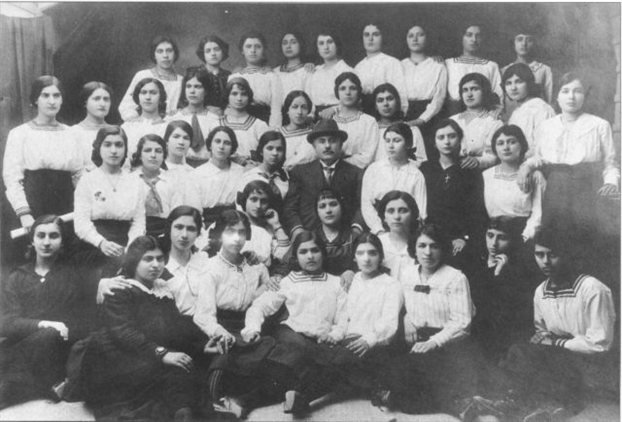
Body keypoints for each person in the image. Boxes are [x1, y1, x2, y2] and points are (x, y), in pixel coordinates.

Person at [466, 228, 618, 421]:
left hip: (589, 364)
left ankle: (545, 406)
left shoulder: (592, 288)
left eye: (552, 255)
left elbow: (600, 344)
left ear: (566, 255)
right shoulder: (541, 291)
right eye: (539, 255)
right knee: (516, 352)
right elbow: (542, 333)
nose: (545, 261)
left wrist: (555, 343)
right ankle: (518, 403)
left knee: (526, 354)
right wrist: (543, 342)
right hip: (557, 358)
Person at [66, 236, 219, 421]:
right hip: (118, 357)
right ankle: (181, 411)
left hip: (146, 350)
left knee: (185, 369)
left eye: (160, 259)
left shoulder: (162, 289)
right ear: (134, 262)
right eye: (148, 259)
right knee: (171, 376)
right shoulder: (121, 288)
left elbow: (175, 327)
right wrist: (162, 354)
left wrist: (201, 346)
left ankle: (183, 411)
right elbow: (123, 332)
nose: (155, 265)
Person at [373, 223, 481, 417]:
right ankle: (449, 400)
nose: (428, 252)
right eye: (422, 246)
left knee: (410, 397)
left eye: (434, 246)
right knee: (387, 363)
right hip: (414, 338)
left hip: (447, 344)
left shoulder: (455, 278)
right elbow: (402, 304)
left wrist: (433, 342)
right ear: (414, 249)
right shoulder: (408, 274)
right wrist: (406, 319)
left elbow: (462, 324)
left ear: (443, 249)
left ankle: (455, 402)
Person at [241, 230, 348, 416]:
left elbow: (344, 318)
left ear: (323, 253)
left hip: (323, 341)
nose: (310, 256)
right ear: (296, 256)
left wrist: (334, 335)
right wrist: (252, 329)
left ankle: (298, 397)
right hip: (293, 337)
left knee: (343, 360)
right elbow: (259, 307)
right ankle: (251, 400)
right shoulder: (288, 282)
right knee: (302, 353)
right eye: (303, 252)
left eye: (315, 250)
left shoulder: (336, 283)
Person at [0, 215, 92, 409]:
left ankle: (11, 389)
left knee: (50, 336)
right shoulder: (18, 276)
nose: (47, 242)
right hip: (24, 345)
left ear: (62, 241)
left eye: (54, 236)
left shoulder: (73, 275)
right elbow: (6, 323)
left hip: (57, 349)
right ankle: (25, 387)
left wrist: (55, 329)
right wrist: (42, 323)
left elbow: (81, 320)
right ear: (32, 241)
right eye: (41, 235)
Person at [192, 210, 275, 416]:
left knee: (271, 351)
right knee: (224, 356)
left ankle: (242, 400)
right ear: (220, 233)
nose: (237, 238)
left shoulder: (255, 265)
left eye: (242, 232)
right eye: (230, 232)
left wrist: (265, 288)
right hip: (220, 326)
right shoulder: (211, 268)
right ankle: (216, 401)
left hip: (248, 324)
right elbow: (203, 315)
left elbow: (268, 290)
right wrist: (220, 332)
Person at [518, 72, 620, 239]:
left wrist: (611, 183)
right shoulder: (546, 126)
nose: (571, 97)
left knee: (585, 237)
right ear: (557, 97)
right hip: (555, 188)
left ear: (585, 96)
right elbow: (539, 157)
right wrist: (526, 166)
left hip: (588, 188)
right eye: (565, 91)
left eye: (577, 91)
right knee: (556, 237)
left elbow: (610, 163)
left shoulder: (600, 125)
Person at [329, 233, 403, 398]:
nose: (366, 259)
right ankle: (372, 387)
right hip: (349, 342)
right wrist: (336, 335)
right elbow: (345, 316)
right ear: (354, 258)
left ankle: (304, 396)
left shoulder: (391, 285)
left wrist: (368, 340)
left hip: (375, 345)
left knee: (337, 362)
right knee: (326, 354)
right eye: (360, 253)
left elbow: (389, 321)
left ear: (381, 257)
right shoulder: (353, 280)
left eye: (372, 253)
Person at [3, 75, 82, 227]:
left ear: (62, 100)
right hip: (33, 204)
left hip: (66, 204)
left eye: (56, 95)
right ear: (35, 100)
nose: (52, 101)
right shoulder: (20, 133)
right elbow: (12, 177)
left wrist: (83, 205)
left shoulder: (72, 133)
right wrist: (24, 213)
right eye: (45, 95)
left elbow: (79, 174)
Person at [73, 126, 146, 276]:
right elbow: (81, 222)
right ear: (98, 148)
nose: (113, 151)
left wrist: (130, 249)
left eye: (119, 145)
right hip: (93, 246)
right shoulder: (88, 180)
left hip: (126, 245)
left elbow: (139, 221)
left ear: (125, 149)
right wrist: (101, 243)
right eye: (107, 145)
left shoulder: (135, 181)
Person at [470, 217, 540, 362]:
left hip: (501, 336)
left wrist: (500, 273)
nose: (493, 243)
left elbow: (507, 311)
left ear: (512, 240)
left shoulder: (517, 271)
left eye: (502, 238)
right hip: (474, 331)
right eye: (490, 235)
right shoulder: (475, 264)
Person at [420, 119, 487, 271]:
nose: (447, 142)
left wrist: (465, 238)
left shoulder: (470, 171)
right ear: (434, 142)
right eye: (441, 137)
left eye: (452, 136)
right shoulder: (425, 170)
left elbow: (477, 211)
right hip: (430, 236)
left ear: (460, 139)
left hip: (459, 239)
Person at [283, 119, 364, 238]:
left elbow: (362, 206)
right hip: (309, 236)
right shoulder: (300, 172)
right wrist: (298, 232)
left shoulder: (355, 173)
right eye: (322, 141)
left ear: (341, 145)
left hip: (346, 237)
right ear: (314, 146)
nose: (327, 146)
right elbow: (290, 208)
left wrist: (355, 231)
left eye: (332, 141)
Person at [362, 122, 427, 235]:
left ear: (408, 143)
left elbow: (421, 211)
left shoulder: (416, 174)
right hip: (378, 231)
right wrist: (379, 231)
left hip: (407, 232)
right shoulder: (374, 169)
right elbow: (366, 205)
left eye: (397, 141)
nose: (391, 145)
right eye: (387, 141)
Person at [483, 125, 545, 241]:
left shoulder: (535, 176)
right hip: (492, 236)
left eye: (512, 142)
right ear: (495, 148)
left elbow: (538, 213)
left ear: (522, 145)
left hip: (522, 234)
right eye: (500, 143)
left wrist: (525, 237)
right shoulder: (486, 176)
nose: (506, 147)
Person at [186, 126, 245, 229]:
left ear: (232, 147)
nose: (221, 146)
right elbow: (195, 210)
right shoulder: (196, 175)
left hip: (235, 225)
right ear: (210, 145)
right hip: (207, 225)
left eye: (227, 143)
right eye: (217, 141)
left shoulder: (241, 172)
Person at [401, 24, 448, 152]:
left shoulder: (438, 66)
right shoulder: (399, 65)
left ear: (427, 38)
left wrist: (421, 120)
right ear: (406, 39)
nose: (415, 39)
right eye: (411, 36)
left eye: (420, 35)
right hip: (404, 115)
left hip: (430, 117)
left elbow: (439, 97)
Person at [129, 134, 183, 238]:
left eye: (158, 151)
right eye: (148, 150)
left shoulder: (172, 181)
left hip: (165, 232)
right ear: (140, 155)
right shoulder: (130, 180)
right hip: (135, 232)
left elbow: (177, 214)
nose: (153, 155)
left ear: (164, 155)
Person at [118, 35, 183, 120]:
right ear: (154, 55)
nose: (165, 55)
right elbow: (126, 106)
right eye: (160, 51)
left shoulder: (182, 81)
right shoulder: (142, 75)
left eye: (169, 51)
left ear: (175, 54)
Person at [445, 24, 503, 116]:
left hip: (484, 114)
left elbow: (499, 94)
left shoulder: (491, 66)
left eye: (478, 36)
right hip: (454, 112)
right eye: (469, 35)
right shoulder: (449, 63)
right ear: (462, 38)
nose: (474, 39)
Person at [450, 72, 503, 170]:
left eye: (474, 89)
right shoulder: (452, 120)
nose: (469, 94)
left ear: (484, 92)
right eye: (465, 90)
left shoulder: (493, 122)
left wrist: (478, 161)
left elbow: (493, 155)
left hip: (478, 171)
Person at [229, 31, 283, 127]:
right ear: (242, 50)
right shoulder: (234, 76)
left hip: (264, 121)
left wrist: (273, 130)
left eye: (258, 46)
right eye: (248, 46)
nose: (253, 50)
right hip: (239, 122)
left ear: (263, 50)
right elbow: (229, 107)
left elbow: (276, 109)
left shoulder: (271, 76)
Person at [169, 66, 220, 168]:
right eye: (188, 86)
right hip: (181, 166)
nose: (192, 91)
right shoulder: (174, 118)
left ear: (206, 91)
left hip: (208, 167)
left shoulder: (215, 119)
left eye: (198, 87)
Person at [354, 23, 408, 115]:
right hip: (363, 113)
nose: (370, 38)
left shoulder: (392, 62)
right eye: (366, 35)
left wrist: (401, 116)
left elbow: (401, 95)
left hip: (386, 113)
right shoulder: (358, 67)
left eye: (375, 34)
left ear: (382, 37)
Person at [236, 180, 290, 270]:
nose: (258, 205)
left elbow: (285, 257)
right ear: (245, 200)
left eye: (263, 201)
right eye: (253, 199)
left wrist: (276, 225)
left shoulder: (269, 229)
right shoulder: (234, 224)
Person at [502, 63, 555, 154]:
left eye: (519, 82)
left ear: (529, 84)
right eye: (508, 83)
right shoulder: (516, 112)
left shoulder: (540, 108)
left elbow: (545, 147)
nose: (513, 88)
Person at [332, 72, 380, 169]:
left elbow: (367, 156)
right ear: (337, 92)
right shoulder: (330, 120)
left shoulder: (368, 121)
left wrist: (340, 165)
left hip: (357, 171)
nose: (348, 92)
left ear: (358, 92)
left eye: (352, 88)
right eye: (342, 88)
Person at [220, 77, 269, 166]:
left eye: (243, 94)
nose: (239, 98)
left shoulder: (259, 125)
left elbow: (267, 156)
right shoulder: (217, 124)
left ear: (249, 97)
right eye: (234, 94)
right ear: (227, 96)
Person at [372, 83, 427, 163]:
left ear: (397, 102)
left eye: (390, 99)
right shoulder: (371, 131)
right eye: (380, 100)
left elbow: (421, 161)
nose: (385, 104)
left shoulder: (412, 129)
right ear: (375, 106)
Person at [305, 29, 354, 117]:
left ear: (337, 45)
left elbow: (355, 100)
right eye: (321, 43)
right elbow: (308, 99)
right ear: (317, 49)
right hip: (315, 118)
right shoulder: (314, 71)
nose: (326, 47)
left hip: (340, 116)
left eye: (330, 42)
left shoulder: (347, 70)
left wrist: (334, 109)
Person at [313, 189, 359, 284]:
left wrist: (352, 271)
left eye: (333, 204)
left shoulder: (354, 237)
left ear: (341, 207)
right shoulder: (311, 238)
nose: (328, 210)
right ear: (317, 211)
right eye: (322, 206)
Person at [238, 130, 289, 214]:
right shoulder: (249, 176)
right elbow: (240, 207)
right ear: (261, 151)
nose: (275, 153)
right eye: (270, 148)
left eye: (279, 149)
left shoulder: (286, 178)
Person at [121, 77, 168, 167]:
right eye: (143, 92)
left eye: (153, 93)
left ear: (161, 97)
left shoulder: (167, 127)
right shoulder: (127, 127)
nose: (148, 97)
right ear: (138, 97)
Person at [375, 191, 420, 283]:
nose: (396, 217)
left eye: (403, 211)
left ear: (412, 214)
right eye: (391, 211)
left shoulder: (421, 245)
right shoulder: (376, 243)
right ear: (384, 217)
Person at [501, 30, 553, 106]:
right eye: (519, 40)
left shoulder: (544, 69)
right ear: (513, 43)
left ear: (534, 43)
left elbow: (549, 100)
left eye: (529, 40)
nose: (524, 44)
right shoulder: (504, 70)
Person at [70, 81, 113, 172]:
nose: (102, 104)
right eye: (96, 99)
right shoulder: (74, 133)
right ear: (85, 102)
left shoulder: (117, 131)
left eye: (106, 99)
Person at [279, 90, 316, 170]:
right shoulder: (278, 134)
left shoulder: (314, 133)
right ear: (287, 110)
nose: (299, 112)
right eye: (295, 107)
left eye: (304, 107)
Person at [196, 34, 231, 113]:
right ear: (203, 54)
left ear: (223, 52)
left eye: (217, 49)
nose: (213, 53)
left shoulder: (228, 75)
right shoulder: (196, 75)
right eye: (208, 51)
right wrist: (205, 108)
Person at [274, 31, 314, 99]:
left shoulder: (307, 71)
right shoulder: (275, 72)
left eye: (293, 42)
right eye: (285, 43)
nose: (288, 46)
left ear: (301, 44)